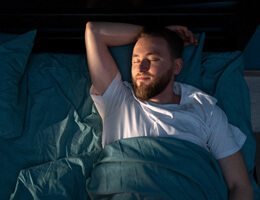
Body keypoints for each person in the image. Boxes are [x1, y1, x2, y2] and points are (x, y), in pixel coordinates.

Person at [85, 21, 254, 199]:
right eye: (135, 60)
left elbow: (240, 185)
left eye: (153, 59)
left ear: (176, 67)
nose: (141, 68)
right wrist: (151, 31)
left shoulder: (205, 109)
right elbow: (94, 31)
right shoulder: (117, 98)